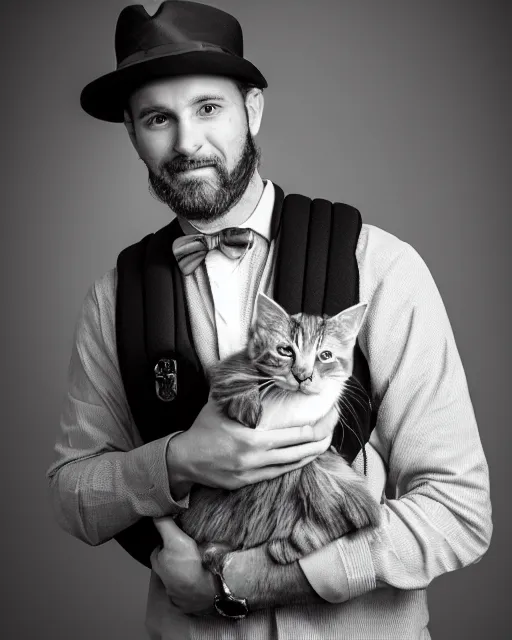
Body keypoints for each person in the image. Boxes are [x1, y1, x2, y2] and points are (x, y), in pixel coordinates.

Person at [47, 2, 492, 638]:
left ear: (252, 108)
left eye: (208, 108)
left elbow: (459, 511)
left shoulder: (382, 265)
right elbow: (73, 496)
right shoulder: (112, 297)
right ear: (131, 131)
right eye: (157, 119)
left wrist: (242, 580)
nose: (186, 142)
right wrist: (176, 462)